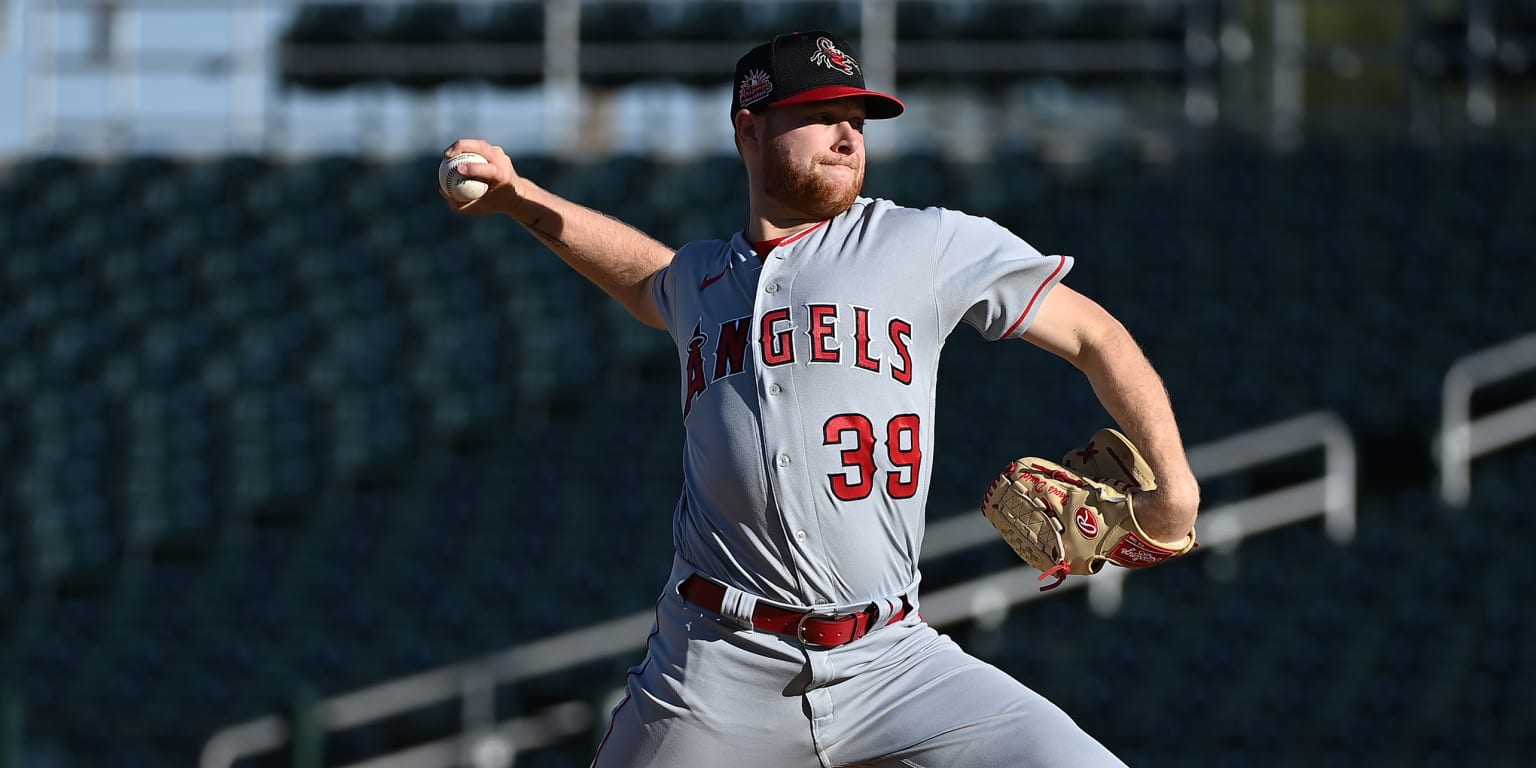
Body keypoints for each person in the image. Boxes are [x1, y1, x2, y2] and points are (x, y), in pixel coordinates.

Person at [443, 30, 1199, 768]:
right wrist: (520, 198)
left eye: (857, 121)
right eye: (822, 113)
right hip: (716, 663)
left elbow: (1095, 335)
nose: (847, 134)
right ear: (750, 127)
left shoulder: (923, 242)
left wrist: (1177, 486)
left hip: (894, 659)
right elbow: (650, 281)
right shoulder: (704, 280)